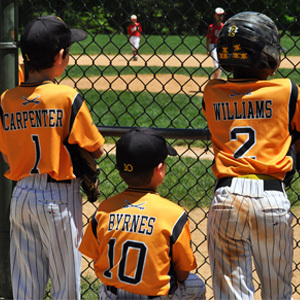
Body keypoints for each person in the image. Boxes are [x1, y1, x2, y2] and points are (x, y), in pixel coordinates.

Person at [0, 15, 105, 300]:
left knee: (25, 287)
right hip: (58, 197)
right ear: (60, 56)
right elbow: (96, 148)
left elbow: (7, 153)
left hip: (21, 194)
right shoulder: (67, 97)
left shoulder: (6, 99)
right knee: (65, 287)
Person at [202, 11, 297, 299]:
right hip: (271, 197)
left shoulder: (212, 91)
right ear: (266, 55)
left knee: (231, 293)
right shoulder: (286, 90)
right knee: (277, 291)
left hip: (227, 198)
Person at [79, 127, 206, 299]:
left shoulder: (104, 210)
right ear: (159, 170)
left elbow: (96, 260)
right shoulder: (173, 215)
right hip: (156, 297)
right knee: (197, 285)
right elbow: (183, 273)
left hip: (113, 295)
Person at [206, 7, 225, 79]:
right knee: (217, 65)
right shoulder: (211, 27)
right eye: (219, 15)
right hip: (213, 46)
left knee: (221, 65)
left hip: (222, 47)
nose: (220, 17)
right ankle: (216, 79)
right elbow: (208, 39)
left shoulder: (224, 26)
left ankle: (217, 79)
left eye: (222, 15)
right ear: (215, 16)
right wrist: (208, 49)